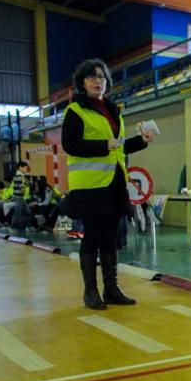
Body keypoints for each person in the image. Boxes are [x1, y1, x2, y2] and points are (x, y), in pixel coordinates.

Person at [62, 58, 152, 310]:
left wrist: (142, 141)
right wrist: (104, 145)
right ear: (82, 82)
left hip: (114, 184)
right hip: (90, 186)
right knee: (92, 236)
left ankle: (111, 288)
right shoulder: (76, 111)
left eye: (101, 76)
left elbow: (119, 147)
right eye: (91, 76)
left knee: (111, 237)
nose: (97, 80)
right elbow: (70, 145)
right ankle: (90, 292)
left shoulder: (113, 111)